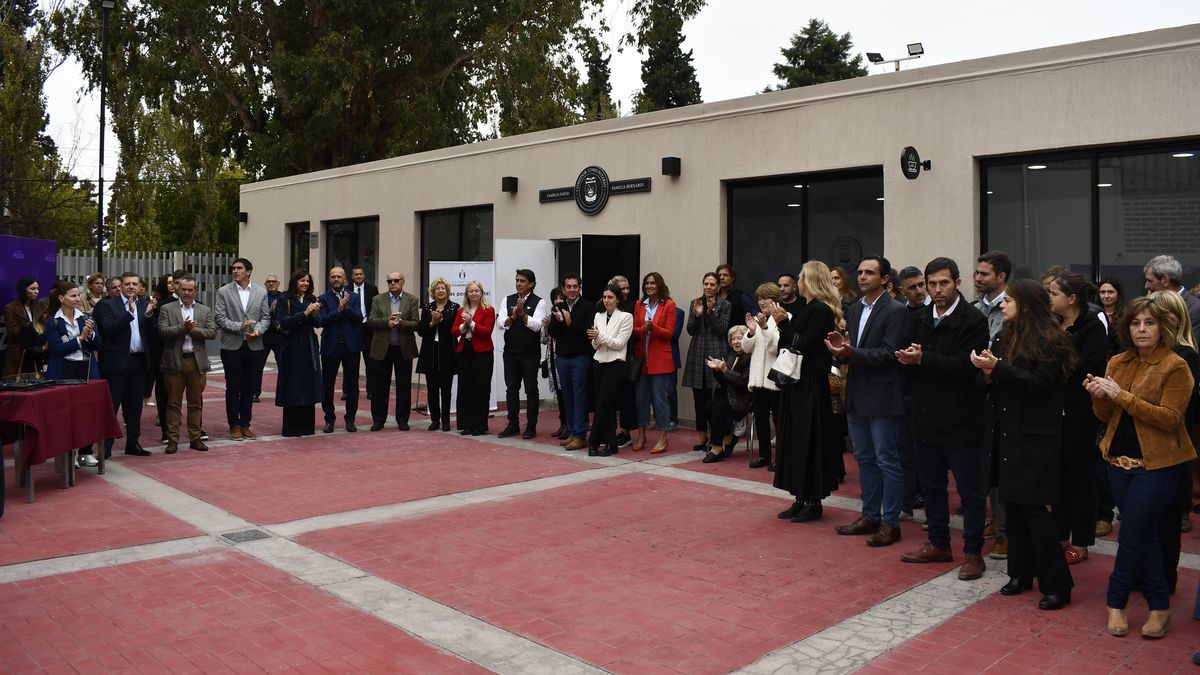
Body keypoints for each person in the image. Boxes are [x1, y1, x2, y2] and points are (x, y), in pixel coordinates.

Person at [1085, 295, 1195, 639]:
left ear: (1163, 327)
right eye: (1135, 323)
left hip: (1158, 464)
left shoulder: (1176, 365)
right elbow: (1105, 416)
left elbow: (1171, 418)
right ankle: (1159, 607)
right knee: (1144, 535)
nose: (1142, 329)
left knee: (1132, 533)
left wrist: (1120, 396)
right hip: (1116, 463)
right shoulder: (1118, 361)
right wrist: (1098, 398)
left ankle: (1115, 602)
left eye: (1149, 323)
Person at [972, 278, 1077, 610]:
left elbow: (1042, 385)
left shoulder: (1051, 341)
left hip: (1036, 438)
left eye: (1010, 301)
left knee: (1035, 511)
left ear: (1027, 305)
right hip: (1006, 434)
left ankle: (1057, 584)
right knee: (1012, 507)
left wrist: (998, 369)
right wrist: (986, 373)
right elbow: (993, 382)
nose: (1003, 305)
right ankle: (1019, 573)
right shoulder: (1004, 336)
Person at [896, 257, 990, 581]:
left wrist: (923, 359)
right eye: (932, 284)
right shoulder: (919, 317)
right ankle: (938, 543)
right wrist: (907, 360)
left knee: (970, 492)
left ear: (957, 284)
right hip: (924, 416)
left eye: (943, 283)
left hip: (962, 419)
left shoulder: (973, 320)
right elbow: (908, 357)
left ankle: (974, 552)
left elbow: (967, 366)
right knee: (933, 488)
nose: (937, 290)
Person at [826, 255, 909, 548]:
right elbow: (854, 348)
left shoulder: (896, 311)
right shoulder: (854, 308)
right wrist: (839, 349)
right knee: (864, 459)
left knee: (887, 460)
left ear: (885, 279)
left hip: (884, 395)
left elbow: (890, 354)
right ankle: (870, 515)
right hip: (857, 393)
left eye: (870, 273)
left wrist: (851, 352)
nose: (862, 277)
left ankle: (891, 523)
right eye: (860, 272)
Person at [772, 261, 841, 523]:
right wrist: (784, 327)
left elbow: (803, 344)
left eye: (801, 277)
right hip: (796, 384)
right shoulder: (806, 308)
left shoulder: (821, 311)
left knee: (810, 441)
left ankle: (813, 501)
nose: (798, 281)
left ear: (810, 280)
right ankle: (799, 497)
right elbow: (786, 343)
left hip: (812, 383)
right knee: (795, 440)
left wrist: (783, 324)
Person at [1047, 272, 1109, 566]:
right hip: (1052, 409)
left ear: (1071, 299)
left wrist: (1060, 352)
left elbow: (1090, 367)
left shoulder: (1092, 326)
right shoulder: (1052, 323)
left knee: (1080, 476)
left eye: (1054, 293)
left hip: (1081, 411)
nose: (1049, 298)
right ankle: (1059, 532)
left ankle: (1081, 539)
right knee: (1057, 475)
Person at [1152, 290, 1199, 591]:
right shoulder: (1145, 352)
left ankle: (1165, 577)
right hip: (1144, 448)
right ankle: (1147, 572)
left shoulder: (1185, 356)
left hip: (1172, 447)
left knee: (1167, 520)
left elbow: (1178, 410)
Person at [973, 250, 1011, 560]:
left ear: (1001, 277)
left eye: (984, 273)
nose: (978, 278)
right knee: (983, 464)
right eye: (977, 272)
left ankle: (1005, 531)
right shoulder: (976, 309)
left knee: (1000, 465)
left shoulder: (1011, 311)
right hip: (977, 389)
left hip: (1002, 392)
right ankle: (994, 518)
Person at [95, 271, 156, 458]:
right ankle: (105, 447)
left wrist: (151, 314)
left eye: (134, 284)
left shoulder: (145, 305)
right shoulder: (106, 305)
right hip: (115, 364)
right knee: (111, 407)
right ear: (120, 286)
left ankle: (133, 443)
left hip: (138, 363)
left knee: (135, 407)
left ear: (139, 287)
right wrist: (129, 313)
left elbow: (153, 335)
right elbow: (108, 329)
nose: (131, 287)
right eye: (127, 284)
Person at [43, 282, 102, 466]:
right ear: (61, 298)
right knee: (64, 414)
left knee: (87, 411)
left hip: (86, 369)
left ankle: (86, 451)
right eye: (73, 296)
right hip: (63, 370)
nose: (77, 299)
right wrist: (81, 338)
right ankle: (68, 454)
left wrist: (91, 335)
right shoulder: (53, 321)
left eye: (78, 295)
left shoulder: (86, 317)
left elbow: (98, 345)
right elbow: (58, 348)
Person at [157, 275, 217, 453]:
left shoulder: (204, 310)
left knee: (195, 403)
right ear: (178, 289)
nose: (187, 293)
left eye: (190, 290)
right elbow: (162, 331)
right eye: (183, 289)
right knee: (173, 403)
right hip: (174, 362)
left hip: (196, 362)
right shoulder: (167, 309)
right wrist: (184, 328)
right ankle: (172, 439)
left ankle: (195, 438)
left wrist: (194, 331)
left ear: (195, 291)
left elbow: (212, 332)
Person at [214, 258, 271, 440]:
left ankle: (246, 424)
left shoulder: (261, 292)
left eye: (239, 268)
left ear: (249, 271)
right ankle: (234, 425)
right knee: (233, 387)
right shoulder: (224, 291)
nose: (235, 271)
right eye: (234, 268)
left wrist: (258, 331)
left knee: (250, 387)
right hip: (232, 346)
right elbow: (220, 318)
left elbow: (265, 317)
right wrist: (239, 326)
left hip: (254, 346)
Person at [683, 272, 731, 452]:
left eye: (712, 284)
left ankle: (718, 436)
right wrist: (697, 315)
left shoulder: (725, 305)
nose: (708, 287)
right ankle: (702, 435)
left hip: (717, 352)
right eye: (706, 284)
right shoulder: (695, 303)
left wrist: (710, 314)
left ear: (718, 287)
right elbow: (689, 330)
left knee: (717, 396)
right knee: (699, 397)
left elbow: (722, 330)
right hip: (697, 352)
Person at [497, 268, 547, 439]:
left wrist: (523, 314)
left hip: (530, 354)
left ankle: (531, 426)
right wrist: (513, 316)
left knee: (531, 390)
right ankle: (513, 424)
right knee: (511, 389)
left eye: (523, 281)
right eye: (517, 280)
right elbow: (501, 323)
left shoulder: (539, 302)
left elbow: (537, 326)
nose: (518, 283)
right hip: (510, 352)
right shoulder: (507, 299)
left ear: (531, 284)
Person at [741, 283, 787, 470]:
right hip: (758, 380)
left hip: (775, 379)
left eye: (765, 298)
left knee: (778, 419)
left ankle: (782, 458)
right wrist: (752, 331)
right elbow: (746, 348)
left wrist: (765, 327)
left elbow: (778, 347)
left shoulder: (783, 317)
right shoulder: (760, 319)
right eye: (759, 298)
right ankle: (765, 456)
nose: (761, 302)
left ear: (775, 299)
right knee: (760, 418)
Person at [367, 272, 420, 431]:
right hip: (382, 348)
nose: (393, 283)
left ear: (403, 282)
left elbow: (416, 323)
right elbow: (371, 321)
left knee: (404, 386)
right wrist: (387, 321)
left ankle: (402, 420)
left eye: (396, 280)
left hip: (403, 349)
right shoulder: (378, 299)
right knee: (379, 386)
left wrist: (401, 323)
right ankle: (378, 420)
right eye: (389, 281)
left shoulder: (412, 300)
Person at [586, 283, 633, 457]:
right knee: (607, 405)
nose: (606, 300)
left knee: (603, 404)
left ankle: (594, 442)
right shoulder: (598, 316)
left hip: (616, 364)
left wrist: (599, 337)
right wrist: (597, 339)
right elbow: (594, 344)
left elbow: (620, 344)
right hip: (599, 362)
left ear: (618, 299)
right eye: (604, 297)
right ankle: (611, 444)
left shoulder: (626, 317)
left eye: (610, 297)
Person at [632, 272, 677, 454]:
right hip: (642, 359)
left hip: (661, 360)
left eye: (652, 283)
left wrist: (654, 328)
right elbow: (634, 329)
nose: (649, 286)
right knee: (641, 399)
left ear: (659, 285)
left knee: (660, 401)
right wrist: (642, 329)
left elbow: (670, 333)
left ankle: (663, 437)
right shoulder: (639, 304)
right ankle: (641, 435)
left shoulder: (669, 305)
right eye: (646, 283)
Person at [547, 274, 593, 450]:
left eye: (575, 286)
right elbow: (552, 332)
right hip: (562, 357)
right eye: (569, 287)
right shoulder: (558, 306)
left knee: (580, 396)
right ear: (563, 289)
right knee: (567, 396)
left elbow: (589, 332)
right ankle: (572, 432)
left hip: (580, 357)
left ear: (580, 287)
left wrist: (570, 322)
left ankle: (581, 435)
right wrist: (559, 322)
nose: (572, 290)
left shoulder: (588, 307)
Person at [274, 270, 323, 436]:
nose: (305, 284)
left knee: (308, 384)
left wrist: (314, 312)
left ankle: (307, 426)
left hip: (309, 347)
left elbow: (318, 323)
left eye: (308, 281)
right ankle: (291, 427)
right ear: (295, 282)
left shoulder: (312, 299)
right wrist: (305, 313)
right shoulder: (284, 299)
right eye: (302, 281)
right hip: (291, 347)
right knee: (292, 384)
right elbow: (284, 322)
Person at [318, 266, 363, 434]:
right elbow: (321, 320)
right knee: (327, 385)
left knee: (352, 385)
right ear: (329, 279)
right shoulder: (322, 298)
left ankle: (350, 419)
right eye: (333, 277)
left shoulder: (354, 297)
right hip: (331, 346)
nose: (336, 279)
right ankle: (329, 419)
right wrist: (337, 311)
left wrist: (347, 308)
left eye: (339, 277)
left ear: (345, 279)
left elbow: (359, 319)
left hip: (351, 346)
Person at [699, 326, 752, 463]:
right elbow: (724, 382)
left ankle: (717, 448)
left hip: (746, 397)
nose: (735, 342)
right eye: (733, 339)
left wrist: (725, 370)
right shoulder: (732, 354)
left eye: (739, 338)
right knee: (708, 406)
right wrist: (717, 370)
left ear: (746, 339)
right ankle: (728, 436)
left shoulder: (751, 356)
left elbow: (743, 382)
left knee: (718, 408)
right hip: (732, 394)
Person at [452, 281, 495, 436]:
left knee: (481, 388)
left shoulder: (488, 310)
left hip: (482, 353)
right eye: (471, 291)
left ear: (481, 293)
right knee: (465, 388)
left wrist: (472, 323)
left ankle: (479, 425)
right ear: (467, 294)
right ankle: (467, 424)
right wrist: (464, 326)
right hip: (465, 350)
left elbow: (486, 332)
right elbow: (454, 331)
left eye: (477, 291)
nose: (474, 293)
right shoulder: (461, 310)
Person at [417, 277, 459, 432]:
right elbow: (421, 330)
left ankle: (446, 421)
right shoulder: (427, 307)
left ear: (447, 291)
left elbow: (454, 330)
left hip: (447, 351)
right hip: (430, 352)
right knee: (432, 389)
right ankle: (435, 420)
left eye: (443, 288)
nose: (440, 291)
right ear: (433, 292)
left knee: (446, 389)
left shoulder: (454, 307)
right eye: (437, 289)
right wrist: (432, 323)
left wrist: (440, 320)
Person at [1144, 254, 1200, 346]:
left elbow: (1187, 346)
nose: (1146, 286)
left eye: (1150, 281)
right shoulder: (1150, 302)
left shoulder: (1195, 308)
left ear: (1165, 280)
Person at [350, 266, 378, 399]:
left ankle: (371, 390)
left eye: (361, 274)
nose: (358, 276)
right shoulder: (347, 289)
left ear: (364, 276)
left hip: (368, 328)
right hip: (352, 328)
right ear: (352, 277)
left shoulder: (372, 289)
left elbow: (376, 307)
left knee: (370, 361)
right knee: (350, 362)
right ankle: (347, 390)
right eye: (356, 274)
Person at [543, 286, 567, 438]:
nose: (558, 301)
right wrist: (545, 327)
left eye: (561, 298)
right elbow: (544, 339)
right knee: (559, 394)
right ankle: (563, 423)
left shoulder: (567, 315)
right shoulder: (551, 316)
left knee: (567, 394)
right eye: (555, 298)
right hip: (552, 358)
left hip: (564, 358)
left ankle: (569, 424)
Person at [3, 276, 39, 378]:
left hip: (36, 350)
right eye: (32, 289)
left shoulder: (38, 305)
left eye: (37, 289)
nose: (36, 292)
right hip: (19, 351)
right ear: (23, 290)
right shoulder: (10, 308)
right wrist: (31, 327)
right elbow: (12, 332)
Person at [259, 273, 285, 402]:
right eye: (268, 281)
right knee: (258, 365)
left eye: (274, 281)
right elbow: (257, 314)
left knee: (283, 365)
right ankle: (255, 393)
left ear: (278, 283)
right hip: (264, 335)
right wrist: (270, 310)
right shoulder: (260, 297)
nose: (271, 283)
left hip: (279, 336)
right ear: (265, 284)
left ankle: (283, 392)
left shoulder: (283, 297)